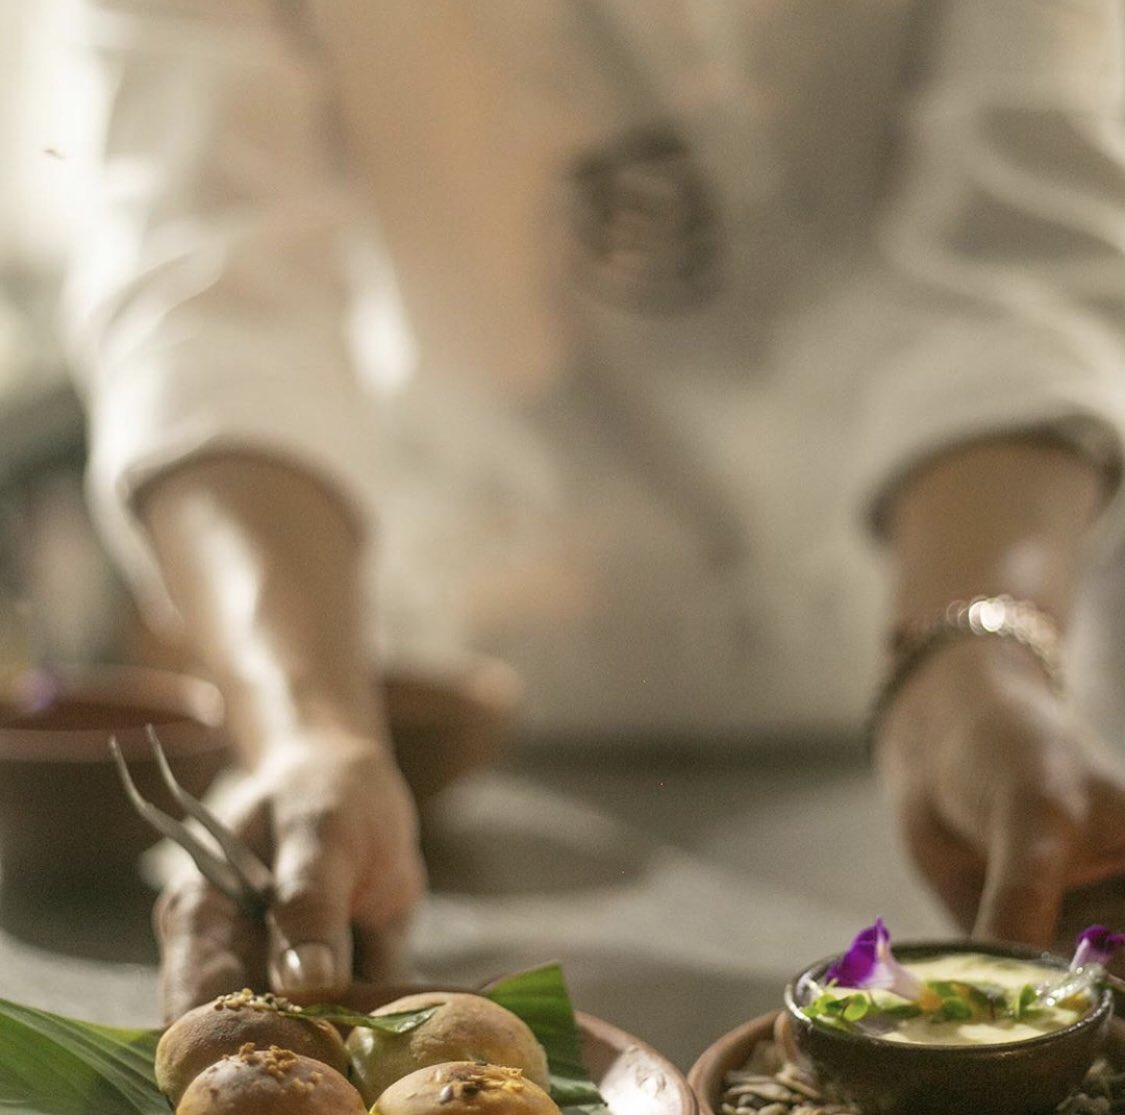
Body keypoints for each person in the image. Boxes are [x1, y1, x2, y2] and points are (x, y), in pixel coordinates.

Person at [60, 0, 1125, 1021]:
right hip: (454, 698)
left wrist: (975, 642)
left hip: (906, 673)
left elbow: (1020, 239)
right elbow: (210, 282)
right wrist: (308, 728)